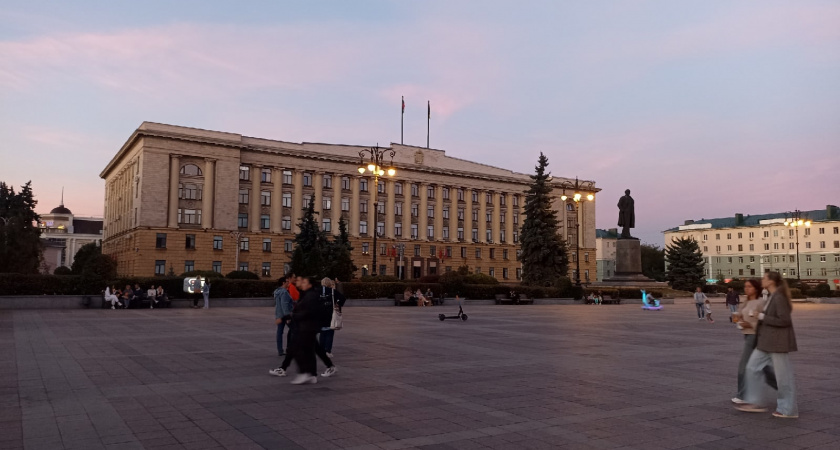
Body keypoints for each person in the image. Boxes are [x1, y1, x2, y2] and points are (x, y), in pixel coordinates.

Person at [736, 272, 799, 418]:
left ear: (771, 282)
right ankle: (754, 401)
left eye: (764, 278)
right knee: (751, 368)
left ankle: (788, 409)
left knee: (783, 377)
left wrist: (762, 316)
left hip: (777, 342)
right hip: (766, 341)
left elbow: (785, 321)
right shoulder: (771, 297)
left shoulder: (779, 297)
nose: (762, 280)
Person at [731, 279, 776, 405]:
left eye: (749, 286)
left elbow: (765, 321)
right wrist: (737, 318)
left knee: (743, 366)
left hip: (755, 336)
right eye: (745, 286)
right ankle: (782, 388)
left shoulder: (761, 302)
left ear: (756, 288)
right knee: (762, 367)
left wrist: (749, 324)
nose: (746, 289)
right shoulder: (746, 302)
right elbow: (739, 315)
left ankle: (742, 395)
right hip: (747, 335)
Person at [288, 276, 323, 385]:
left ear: (310, 284)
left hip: (306, 327)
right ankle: (312, 374)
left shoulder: (311, 296)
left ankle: (304, 373)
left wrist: (293, 316)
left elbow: (307, 312)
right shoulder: (308, 294)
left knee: (295, 348)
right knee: (309, 351)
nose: (302, 283)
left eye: (304, 282)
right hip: (308, 327)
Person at [319, 278, 347, 364]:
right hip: (330, 315)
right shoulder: (332, 291)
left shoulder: (318, 291)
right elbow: (343, 298)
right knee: (330, 333)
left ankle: (321, 350)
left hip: (321, 315)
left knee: (322, 332)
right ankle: (328, 350)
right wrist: (337, 304)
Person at [274, 277, 294, 357]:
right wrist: (288, 317)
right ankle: (289, 348)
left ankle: (280, 350)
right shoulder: (284, 292)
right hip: (285, 315)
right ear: (283, 283)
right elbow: (284, 305)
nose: (288, 282)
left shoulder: (277, 291)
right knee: (294, 330)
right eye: (287, 281)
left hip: (278, 315)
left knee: (279, 332)